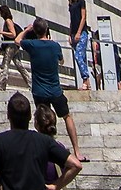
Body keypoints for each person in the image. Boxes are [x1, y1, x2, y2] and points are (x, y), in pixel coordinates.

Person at [0, 92, 76, 190]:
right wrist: (56, 186)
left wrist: (6, 179)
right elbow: (75, 165)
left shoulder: (0, 141)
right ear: (30, 117)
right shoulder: (43, 141)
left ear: (8, 115)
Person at [19, 19, 80, 152]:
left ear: (35, 31)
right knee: (67, 116)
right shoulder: (55, 46)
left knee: (42, 120)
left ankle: (44, 149)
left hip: (39, 92)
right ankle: (77, 151)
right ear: (47, 30)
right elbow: (62, 61)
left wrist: (27, 30)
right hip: (55, 91)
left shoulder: (32, 45)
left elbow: (17, 40)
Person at [0, 6, 24, 83]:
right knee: (19, 66)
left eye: (1, 12)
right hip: (14, 47)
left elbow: (13, 34)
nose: (0, 13)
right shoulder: (8, 21)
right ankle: (31, 83)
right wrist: (1, 49)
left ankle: (1, 86)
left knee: (5, 65)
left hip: (11, 47)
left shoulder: (8, 21)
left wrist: (1, 32)